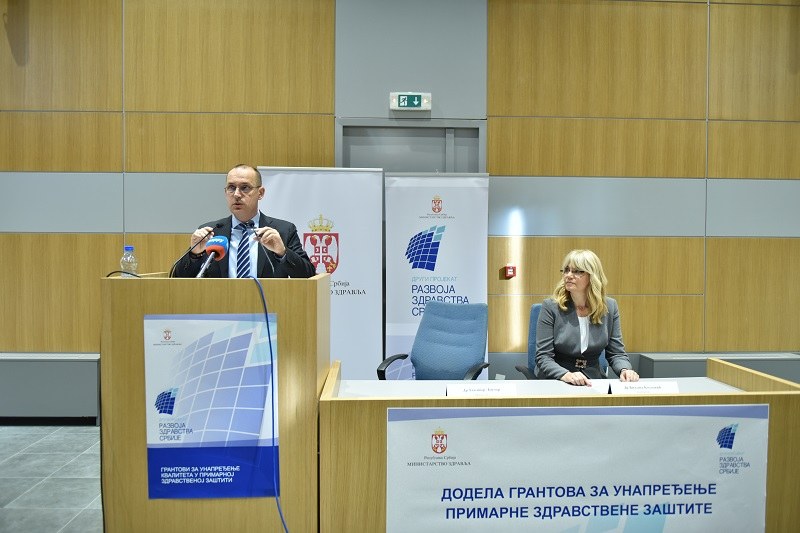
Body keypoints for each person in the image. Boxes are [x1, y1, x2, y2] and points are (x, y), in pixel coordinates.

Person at [173, 164, 316, 279]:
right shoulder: (210, 232)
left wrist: (282, 252)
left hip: (268, 304)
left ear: (260, 193)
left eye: (245, 188)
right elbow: (177, 279)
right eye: (231, 188)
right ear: (225, 193)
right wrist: (194, 254)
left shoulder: (283, 230)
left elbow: (309, 275)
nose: (236, 194)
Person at [535, 249, 639, 385]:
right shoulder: (551, 307)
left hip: (593, 378)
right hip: (557, 378)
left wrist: (625, 369)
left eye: (577, 271)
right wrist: (565, 375)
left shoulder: (609, 307)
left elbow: (616, 353)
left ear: (592, 276)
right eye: (566, 270)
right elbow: (543, 357)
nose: (569, 275)